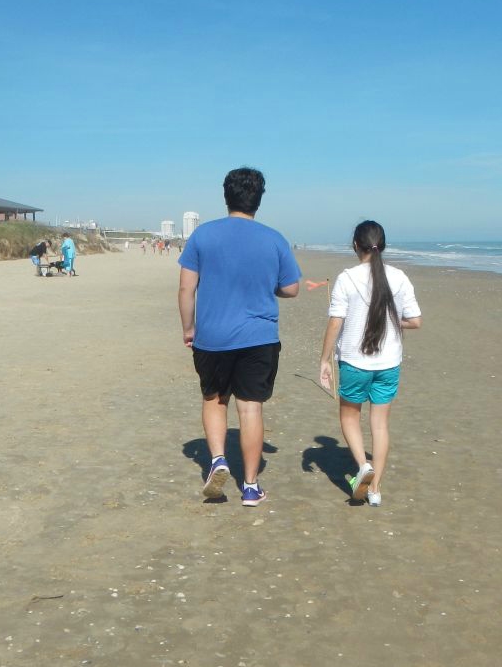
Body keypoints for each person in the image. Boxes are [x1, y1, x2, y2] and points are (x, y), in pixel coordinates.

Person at [178, 167, 301, 506]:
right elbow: (291, 288)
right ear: (258, 199)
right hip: (259, 336)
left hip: (212, 335)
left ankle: (218, 459)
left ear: (226, 196)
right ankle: (250, 485)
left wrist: (189, 327)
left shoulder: (202, 235)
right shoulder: (274, 238)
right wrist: (268, 283)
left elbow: (187, 287)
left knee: (215, 399)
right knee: (250, 409)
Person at [319, 221, 422, 506]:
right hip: (389, 363)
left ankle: (363, 466)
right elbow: (415, 321)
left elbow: (336, 321)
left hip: (354, 361)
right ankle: (375, 489)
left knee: (349, 416)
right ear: (383, 245)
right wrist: (390, 320)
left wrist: (324, 359)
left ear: (355, 245)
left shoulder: (347, 278)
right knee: (380, 425)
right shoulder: (399, 277)